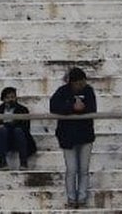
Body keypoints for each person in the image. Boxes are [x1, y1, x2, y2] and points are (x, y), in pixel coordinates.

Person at [50, 67, 97, 208]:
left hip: (85, 135)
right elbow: (54, 107)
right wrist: (72, 108)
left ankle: (82, 198)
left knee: (84, 169)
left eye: (83, 82)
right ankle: (71, 198)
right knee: (71, 169)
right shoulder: (62, 91)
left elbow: (92, 108)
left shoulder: (88, 91)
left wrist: (82, 108)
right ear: (72, 82)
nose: (81, 85)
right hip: (67, 136)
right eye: (78, 82)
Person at [0, 86, 36, 170]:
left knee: (18, 130)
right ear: (3, 99)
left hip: (18, 139)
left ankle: (23, 162)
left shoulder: (23, 110)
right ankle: (2, 162)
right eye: (8, 97)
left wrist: (6, 125)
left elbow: (25, 127)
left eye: (13, 97)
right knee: (1, 131)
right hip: (2, 140)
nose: (11, 100)